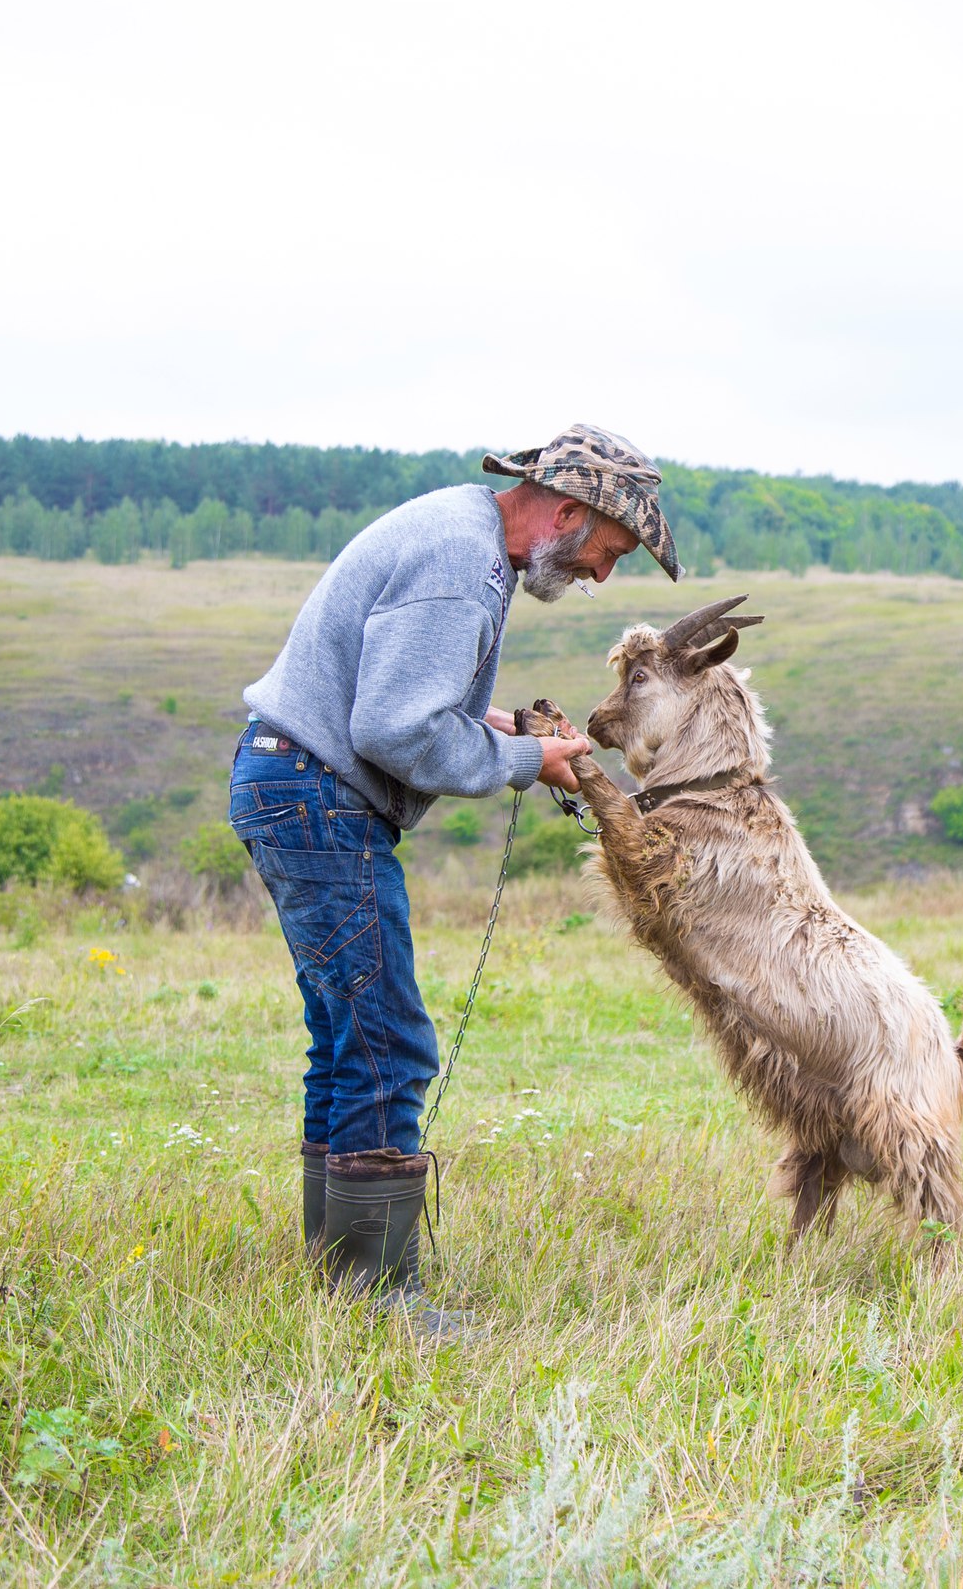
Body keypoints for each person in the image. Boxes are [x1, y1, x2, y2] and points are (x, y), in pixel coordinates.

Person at [229, 425, 679, 1318]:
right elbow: (395, 730)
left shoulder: (464, 537)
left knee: (350, 1036)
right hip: (319, 798)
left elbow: (413, 704)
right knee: (388, 1039)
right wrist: (529, 763)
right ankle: (378, 1295)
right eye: (608, 549)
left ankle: (337, 1272)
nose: (602, 574)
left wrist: (514, 725)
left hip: (293, 783)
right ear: (564, 512)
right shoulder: (457, 565)